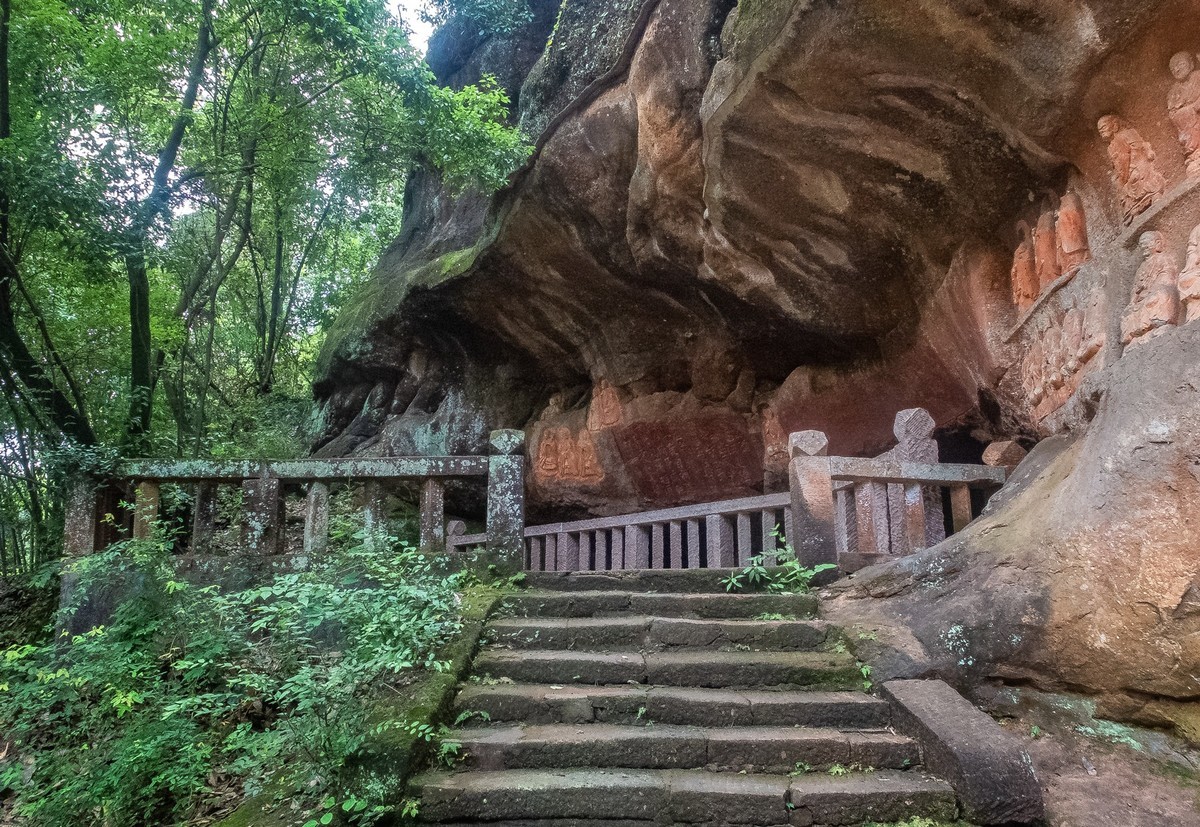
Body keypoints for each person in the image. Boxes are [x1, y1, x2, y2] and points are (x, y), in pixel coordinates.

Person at [1098, 115, 1167, 223]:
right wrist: (1120, 176)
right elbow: (1116, 164)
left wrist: (1130, 168)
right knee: (1121, 186)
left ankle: (1154, 195)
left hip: (1137, 163)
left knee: (1137, 178)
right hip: (1125, 172)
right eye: (1099, 130)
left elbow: (1139, 147)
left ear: (1114, 125)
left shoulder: (1127, 133)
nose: (1101, 130)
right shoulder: (1110, 148)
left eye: (1104, 126)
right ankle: (1133, 210)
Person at [1168, 52, 1200, 178]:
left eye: (1180, 64)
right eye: (1173, 68)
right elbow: (1172, 113)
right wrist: (1190, 110)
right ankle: (1196, 154)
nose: (1177, 69)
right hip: (1189, 126)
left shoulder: (1198, 76)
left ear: (1191, 64)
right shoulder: (1173, 92)